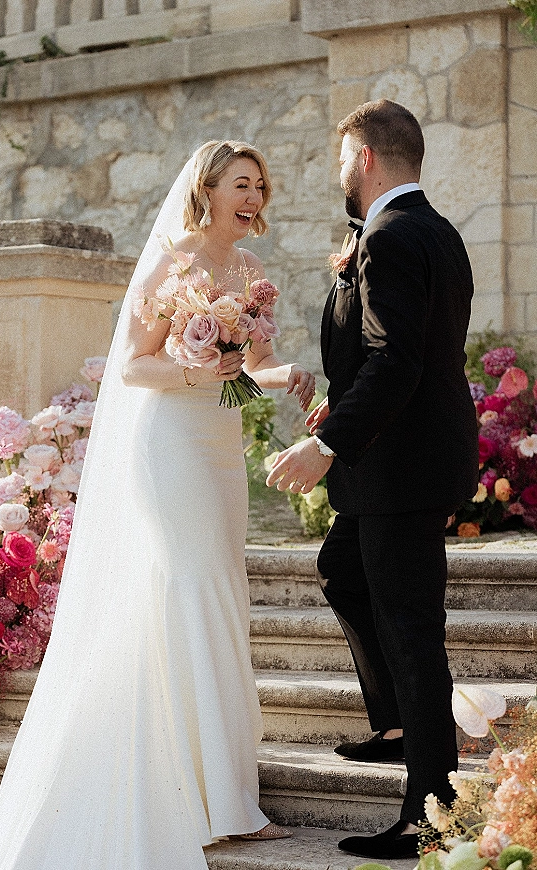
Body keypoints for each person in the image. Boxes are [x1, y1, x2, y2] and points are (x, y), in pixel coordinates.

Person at [0, 140, 315, 870]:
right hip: (170, 446)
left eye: (259, 185)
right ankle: (216, 799)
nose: (253, 196)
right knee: (192, 589)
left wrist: (284, 378)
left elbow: (237, 378)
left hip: (217, 443)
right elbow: (132, 366)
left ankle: (221, 787)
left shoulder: (249, 271)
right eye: (240, 184)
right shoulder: (175, 262)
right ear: (208, 189)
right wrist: (196, 371)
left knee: (218, 591)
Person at [266, 100, 479, 860]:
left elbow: (400, 360)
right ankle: (395, 723)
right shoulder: (437, 231)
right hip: (404, 456)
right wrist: (341, 395)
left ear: (362, 157)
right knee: (340, 570)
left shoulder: (389, 238)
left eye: (338, 160)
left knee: (413, 635)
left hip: (400, 467)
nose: (336, 175)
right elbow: (394, 351)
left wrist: (326, 442)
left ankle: (431, 816)